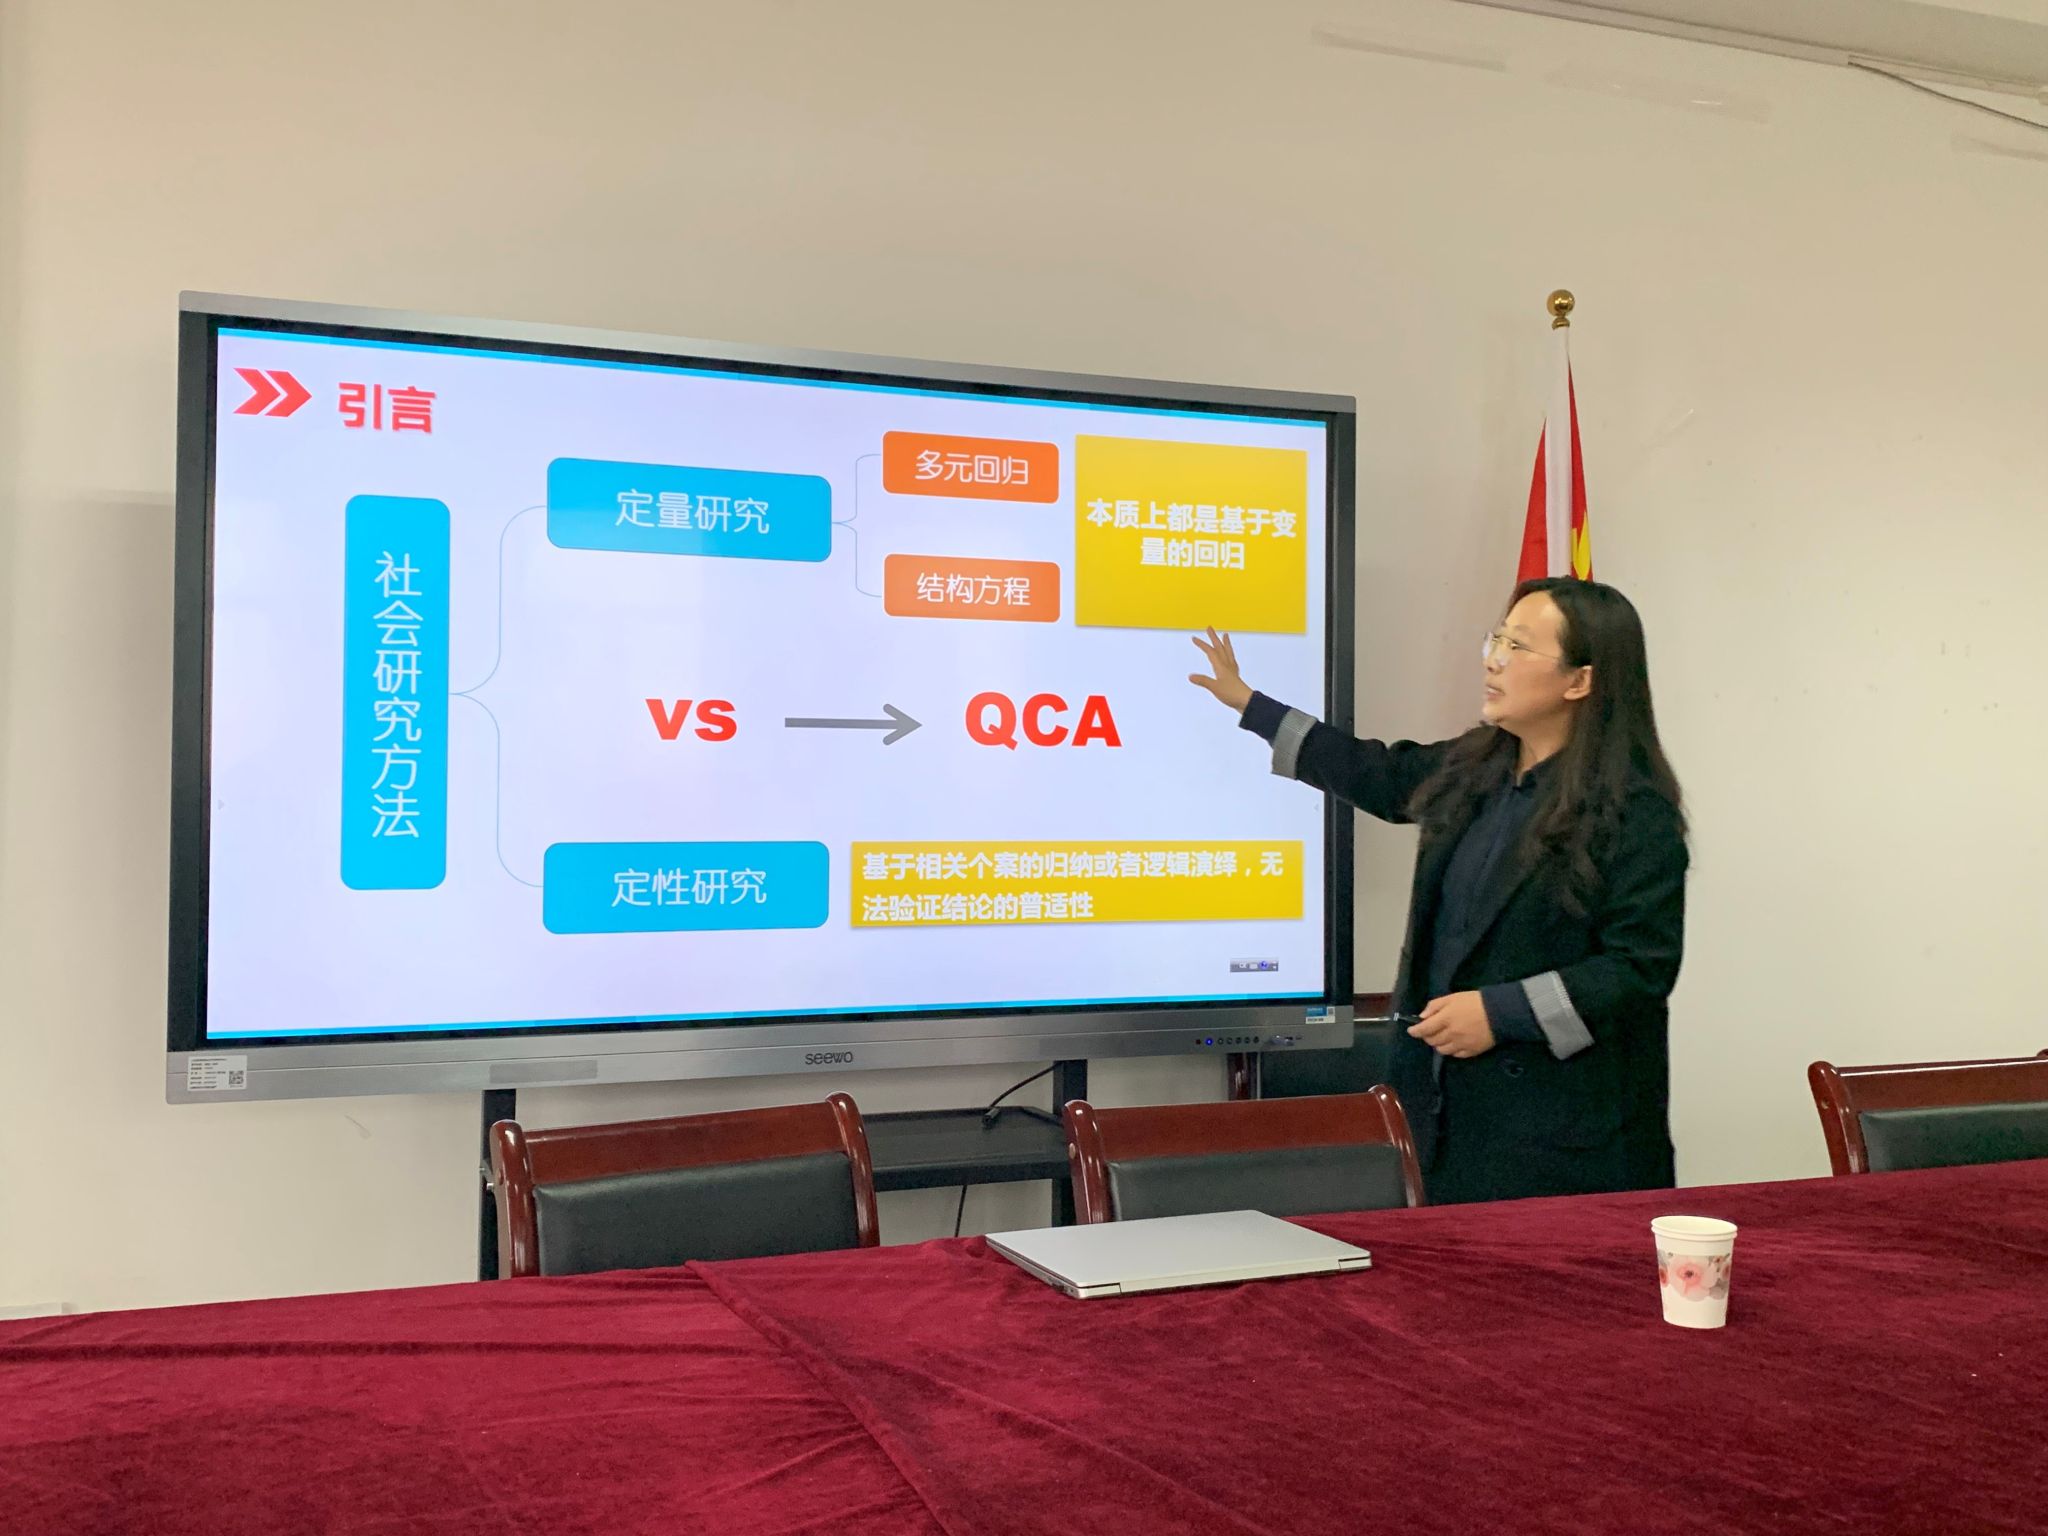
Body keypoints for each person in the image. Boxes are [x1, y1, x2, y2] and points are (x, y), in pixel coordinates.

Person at [1189, 577, 1687, 1204]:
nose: (1494, 660)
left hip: (1567, 1138)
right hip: (1445, 1112)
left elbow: (1638, 968)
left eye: (1519, 646)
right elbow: (1378, 772)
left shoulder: (1634, 811)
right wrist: (1253, 707)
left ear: (1580, 681)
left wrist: (1501, 1014)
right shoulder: (1477, 765)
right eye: (1496, 639)